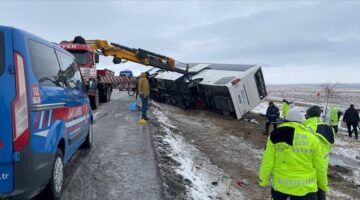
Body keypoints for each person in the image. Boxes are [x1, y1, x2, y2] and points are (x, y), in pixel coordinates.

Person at [259, 108, 328, 200]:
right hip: (305, 188)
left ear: (286, 120)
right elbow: (320, 165)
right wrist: (323, 185)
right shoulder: (312, 139)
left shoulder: (276, 135)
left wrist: (263, 180)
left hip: (281, 186)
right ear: (302, 121)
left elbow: (267, 161)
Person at [304, 106, 334, 200]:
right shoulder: (328, 128)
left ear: (308, 115)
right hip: (323, 164)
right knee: (321, 189)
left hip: (309, 165)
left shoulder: (307, 128)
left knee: (308, 191)